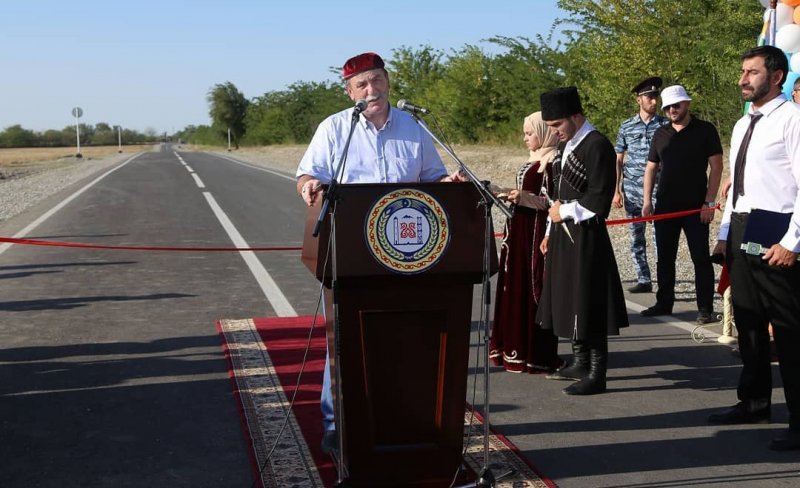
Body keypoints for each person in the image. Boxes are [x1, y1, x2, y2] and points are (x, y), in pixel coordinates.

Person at [295, 52, 463, 453]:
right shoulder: (336, 129)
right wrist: (308, 188)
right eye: (362, 85)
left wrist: (450, 182)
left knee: (405, 333)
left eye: (377, 81)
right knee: (345, 334)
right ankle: (337, 422)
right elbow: (307, 174)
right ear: (350, 91)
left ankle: (404, 414)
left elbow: (433, 178)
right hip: (353, 254)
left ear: (388, 81)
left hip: (410, 252)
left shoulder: (413, 126)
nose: (372, 91)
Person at [707, 45, 800, 451]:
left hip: (778, 228)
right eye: (742, 71)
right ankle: (755, 401)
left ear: (776, 76)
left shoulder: (793, 121)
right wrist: (726, 232)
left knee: (790, 330)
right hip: (746, 225)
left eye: (752, 72)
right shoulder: (744, 124)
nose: (743, 79)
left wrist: (793, 242)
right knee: (747, 322)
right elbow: (738, 186)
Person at [535, 86, 629, 396]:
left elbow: (599, 199)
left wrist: (565, 211)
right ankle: (579, 360)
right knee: (569, 297)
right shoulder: (566, 145)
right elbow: (558, 195)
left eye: (557, 125)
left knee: (589, 300)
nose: (554, 132)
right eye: (549, 127)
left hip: (587, 236)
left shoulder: (596, 145)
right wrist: (550, 230)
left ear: (576, 116)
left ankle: (597, 372)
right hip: (563, 233)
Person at [640, 85, 723, 325]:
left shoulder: (705, 130)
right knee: (665, 257)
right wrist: (647, 200)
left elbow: (716, 167)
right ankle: (664, 302)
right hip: (665, 205)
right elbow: (651, 168)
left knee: (700, 258)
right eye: (667, 107)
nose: (672, 110)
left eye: (676, 105)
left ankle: (705, 308)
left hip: (695, 207)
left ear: (687, 104)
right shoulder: (660, 134)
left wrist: (709, 202)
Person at [489, 111, 561, 374]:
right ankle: (512, 349)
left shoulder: (553, 162)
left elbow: (551, 202)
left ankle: (536, 355)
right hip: (520, 230)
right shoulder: (536, 159)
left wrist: (523, 198)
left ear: (543, 132)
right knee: (514, 286)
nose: (525, 138)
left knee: (534, 287)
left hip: (536, 233)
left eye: (530, 133)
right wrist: (501, 192)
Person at [614, 76, 669, 293]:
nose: (654, 102)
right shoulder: (627, 126)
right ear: (639, 100)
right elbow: (618, 159)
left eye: (656, 97)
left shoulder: (665, 125)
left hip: (658, 191)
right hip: (632, 192)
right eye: (649, 97)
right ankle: (643, 279)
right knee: (636, 237)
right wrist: (616, 191)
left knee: (660, 239)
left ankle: (664, 281)